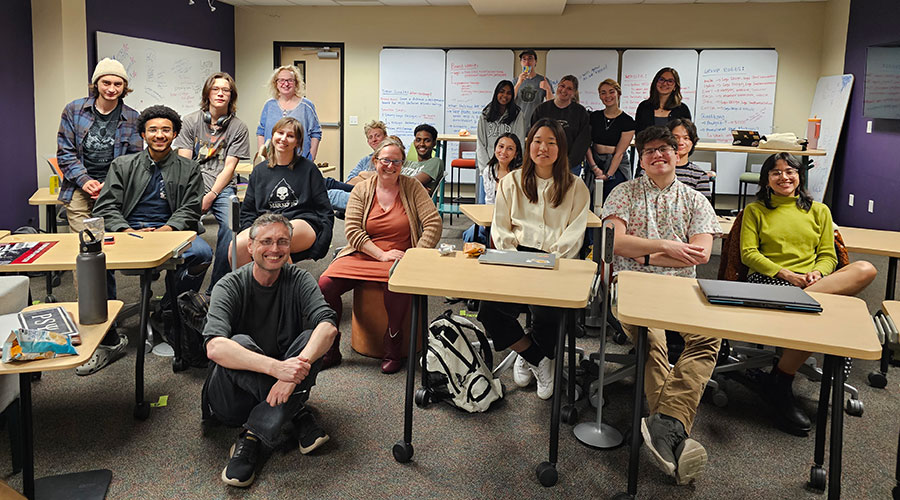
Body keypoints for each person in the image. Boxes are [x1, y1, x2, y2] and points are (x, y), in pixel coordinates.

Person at [601, 125, 722, 485]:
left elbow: (699, 254)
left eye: (664, 149)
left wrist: (647, 256)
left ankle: (665, 425)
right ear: (641, 158)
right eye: (649, 150)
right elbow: (616, 243)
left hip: (682, 289)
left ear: (677, 153)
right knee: (653, 342)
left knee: (707, 338)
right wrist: (669, 247)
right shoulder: (623, 192)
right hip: (630, 284)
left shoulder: (695, 200)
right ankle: (673, 430)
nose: (657, 155)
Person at [740, 152, 877, 436]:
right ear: (766, 179)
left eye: (790, 171)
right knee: (823, 312)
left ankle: (779, 378)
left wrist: (817, 274)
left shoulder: (819, 211)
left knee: (866, 269)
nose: (784, 177)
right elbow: (748, 254)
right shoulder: (755, 211)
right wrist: (788, 275)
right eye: (775, 172)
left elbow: (828, 255)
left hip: (813, 284)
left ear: (800, 176)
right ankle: (781, 380)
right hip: (771, 281)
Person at [203, 213, 338, 487]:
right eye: (266, 241)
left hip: (283, 385)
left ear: (290, 247)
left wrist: (291, 372)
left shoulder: (298, 279)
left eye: (282, 242)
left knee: (312, 340)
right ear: (250, 247)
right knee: (236, 342)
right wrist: (281, 372)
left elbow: (329, 328)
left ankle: (252, 435)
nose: (274, 249)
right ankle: (296, 410)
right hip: (231, 400)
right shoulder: (229, 285)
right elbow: (215, 347)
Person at [89, 105, 213, 375]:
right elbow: (106, 207)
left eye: (166, 130)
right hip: (128, 232)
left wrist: (167, 230)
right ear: (143, 134)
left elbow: (191, 208)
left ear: (175, 133)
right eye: (153, 130)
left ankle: (170, 308)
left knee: (202, 253)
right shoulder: (123, 165)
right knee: (94, 260)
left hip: (170, 232)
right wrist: (124, 230)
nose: (160, 135)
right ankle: (106, 332)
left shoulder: (189, 168)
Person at [476, 119, 589, 400]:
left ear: (561, 148)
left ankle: (535, 354)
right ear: (529, 145)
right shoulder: (511, 182)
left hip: (555, 260)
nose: (544, 147)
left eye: (552, 142)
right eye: (538, 141)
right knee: (489, 310)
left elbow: (574, 234)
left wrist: (548, 261)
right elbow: (501, 228)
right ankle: (535, 356)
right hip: (516, 256)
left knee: (547, 312)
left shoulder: (576, 187)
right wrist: (517, 261)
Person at [318, 138, 442, 373]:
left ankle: (393, 341)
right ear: (375, 161)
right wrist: (381, 254)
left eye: (396, 161)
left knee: (395, 285)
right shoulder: (362, 190)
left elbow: (433, 223)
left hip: (401, 255)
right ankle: (330, 345)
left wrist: (415, 255)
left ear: (402, 164)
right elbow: (353, 231)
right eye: (385, 160)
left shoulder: (412, 187)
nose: (390, 166)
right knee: (326, 284)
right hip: (365, 252)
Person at [174, 72, 251, 292]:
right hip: (192, 187)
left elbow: (229, 168)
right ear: (208, 93)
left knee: (231, 227)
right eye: (216, 89)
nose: (220, 93)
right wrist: (193, 196)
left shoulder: (238, 127)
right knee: (180, 229)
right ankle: (181, 293)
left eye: (225, 90)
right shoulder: (190, 121)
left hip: (221, 188)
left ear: (231, 96)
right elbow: (184, 164)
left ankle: (217, 291)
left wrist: (211, 195)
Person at [56, 57, 142, 234]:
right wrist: (85, 181)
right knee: (85, 243)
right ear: (96, 83)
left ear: (124, 87)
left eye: (118, 84)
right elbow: (65, 153)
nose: (111, 89)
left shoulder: (133, 117)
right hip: (79, 186)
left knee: (116, 241)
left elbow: (134, 159)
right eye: (106, 83)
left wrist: (108, 183)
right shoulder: (74, 110)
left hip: (116, 188)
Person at [236, 117, 333, 266]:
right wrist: (248, 233)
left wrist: (322, 244)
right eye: (280, 133)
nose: (283, 139)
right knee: (236, 246)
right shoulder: (259, 171)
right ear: (273, 135)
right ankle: (250, 288)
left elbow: (325, 210)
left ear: (298, 142)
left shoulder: (309, 170)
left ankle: (281, 287)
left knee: (277, 240)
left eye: (290, 135)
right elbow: (247, 211)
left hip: (301, 223)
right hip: (265, 225)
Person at [462, 133, 522, 243]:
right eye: (501, 146)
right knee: (470, 235)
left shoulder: (520, 174)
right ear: (495, 149)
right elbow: (489, 201)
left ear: (516, 154)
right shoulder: (489, 171)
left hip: (512, 222)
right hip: (491, 219)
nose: (503, 152)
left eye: (510, 149)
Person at [476, 80, 527, 204]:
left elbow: (519, 142)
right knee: (485, 204)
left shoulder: (517, 114)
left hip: (509, 168)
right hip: (487, 167)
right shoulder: (485, 114)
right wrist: (485, 168)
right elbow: (481, 143)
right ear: (496, 93)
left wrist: (514, 166)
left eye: (509, 93)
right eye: (502, 91)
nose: (505, 96)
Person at [256, 65, 321, 161]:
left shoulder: (306, 106)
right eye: (281, 80)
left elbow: (316, 133)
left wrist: (311, 158)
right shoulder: (269, 105)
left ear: (296, 83)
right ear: (276, 83)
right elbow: (261, 132)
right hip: (272, 161)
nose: (286, 84)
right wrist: (262, 156)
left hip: (299, 162)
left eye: (290, 80)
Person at [586, 78, 635, 201]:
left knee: (612, 200)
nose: (607, 96)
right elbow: (586, 144)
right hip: (595, 162)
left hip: (616, 165)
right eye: (603, 93)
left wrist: (608, 175)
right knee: (591, 202)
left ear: (618, 93)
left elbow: (619, 153)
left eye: (611, 91)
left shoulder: (628, 121)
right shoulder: (594, 117)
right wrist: (595, 169)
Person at [531, 75, 591, 176]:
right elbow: (533, 136)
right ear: (557, 87)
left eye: (569, 88)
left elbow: (583, 141)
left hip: (570, 166)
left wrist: (568, 163)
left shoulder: (580, 112)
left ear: (574, 92)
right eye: (562, 86)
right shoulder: (542, 110)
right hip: (545, 163)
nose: (564, 90)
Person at [634, 67, 692, 133]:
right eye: (661, 79)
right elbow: (638, 134)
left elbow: (687, 134)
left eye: (670, 81)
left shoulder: (682, 109)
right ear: (655, 83)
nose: (664, 84)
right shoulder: (644, 107)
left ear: (675, 87)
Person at [667, 118, 712, 199]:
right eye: (675, 137)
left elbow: (704, 208)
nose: (680, 142)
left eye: (686, 138)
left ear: (692, 142)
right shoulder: (653, 169)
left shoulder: (699, 176)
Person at [400, 124, 444, 195]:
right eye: (418, 140)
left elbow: (412, 183)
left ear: (434, 143)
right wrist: (417, 188)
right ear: (414, 142)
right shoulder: (406, 163)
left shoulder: (435, 162)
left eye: (427, 141)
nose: (422, 144)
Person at [513, 50, 553, 124]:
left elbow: (551, 103)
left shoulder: (543, 80)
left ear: (535, 62)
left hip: (536, 120)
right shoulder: (516, 81)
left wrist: (548, 89)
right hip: (518, 121)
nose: (527, 62)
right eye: (524, 59)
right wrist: (519, 83)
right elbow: (510, 100)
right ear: (521, 63)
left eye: (530, 58)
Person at [346, 120, 388, 185]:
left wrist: (362, 174)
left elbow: (387, 180)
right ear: (368, 142)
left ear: (385, 137)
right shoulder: (365, 160)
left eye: (377, 136)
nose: (374, 140)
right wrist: (374, 177)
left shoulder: (392, 159)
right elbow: (349, 182)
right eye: (370, 137)